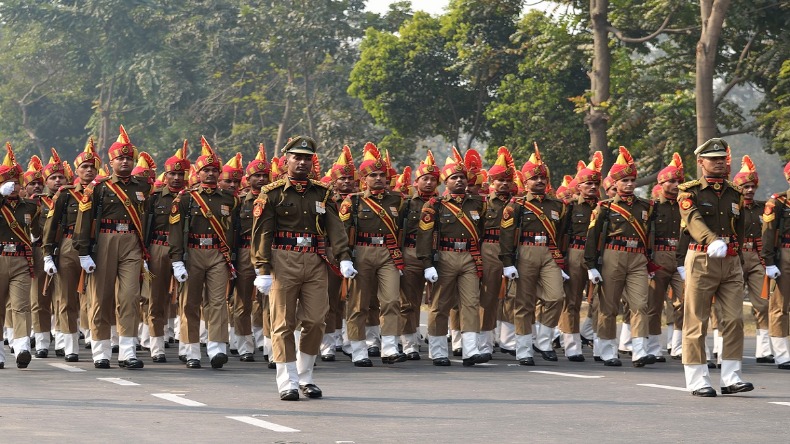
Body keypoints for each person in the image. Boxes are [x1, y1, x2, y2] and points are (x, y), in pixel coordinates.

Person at [251, 136, 355, 401]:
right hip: (282, 259)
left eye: (307, 158)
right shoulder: (272, 193)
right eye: (297, 157)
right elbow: (262, 233)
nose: (302, 162)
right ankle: (287, 381)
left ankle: (306, 377)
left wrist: (344, 257)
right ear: (286, 160)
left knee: (316, 320)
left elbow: (335, 226)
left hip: (315, 260)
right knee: (283, 322)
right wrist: (262, 268)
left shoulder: (322, 192)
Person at [679, 137, 753, 396]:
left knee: (734, 319)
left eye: (722, 158)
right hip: (702, 258)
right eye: (713, 159)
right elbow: (693, 219)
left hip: (731, 261)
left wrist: (739, 257)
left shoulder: (735, 192)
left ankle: (731, 376)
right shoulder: (690, 192)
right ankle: (698, 378)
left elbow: (740, 228)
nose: (719, 163)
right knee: (696, 320)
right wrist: (711, 240)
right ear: (701, 162)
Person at [74, 126, 151, 370]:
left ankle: (127, 352)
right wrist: (83, 251)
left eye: (129, 158)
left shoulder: (143, 187)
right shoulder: (99, 187)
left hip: (131, 242)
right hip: (105, 241)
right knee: (101, 298)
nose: (126, 162)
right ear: (111, 161)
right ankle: (101, 350)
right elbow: (83, 220)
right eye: (121, 158)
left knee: (129, 297)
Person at [168, 137, 239, 369]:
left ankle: (217, 347)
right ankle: (192, 350)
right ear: (197, 173)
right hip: (193, 252)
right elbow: (176, 232)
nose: (210, 174)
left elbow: (233, 230)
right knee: (190, 302)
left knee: (218, 302)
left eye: (214, 170)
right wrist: (177, 260)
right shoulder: (186, 199)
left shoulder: (229, 199)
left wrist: (233, 258)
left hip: (218, 254)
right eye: (205, 170)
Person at [584, 146, 656, 367]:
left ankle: (639, 351)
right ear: (614, 183)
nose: (630, 184)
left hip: (637, 258)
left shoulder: (646, 206)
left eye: (633, 180)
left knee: (640, 304)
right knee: (609, 305)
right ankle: (607, 351)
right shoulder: (605, 208)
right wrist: (591, 265)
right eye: (625, 180)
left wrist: (650, 261)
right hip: (613, 255)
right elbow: (592, 236)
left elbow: (651, 234)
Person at [416, 150, 488, 367]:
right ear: (445, 182)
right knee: (440, 304)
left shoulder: (477, 204)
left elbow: (482, 232)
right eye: (453, 178)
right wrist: (427, 264)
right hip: (445, 256)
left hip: (469, 256)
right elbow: (425, 236)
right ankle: (438, 351)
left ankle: (470, 350)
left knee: (471, 303)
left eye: (462, 177)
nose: (459, 180)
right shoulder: (434, 205)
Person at [339, 142, 407, 366]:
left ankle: (389, 348)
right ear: (364, 179)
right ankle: (359, 350)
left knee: (391, 301)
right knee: (358, 305)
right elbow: (341, 232)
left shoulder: (397, 200)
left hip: (389, 253)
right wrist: (345, 258)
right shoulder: (353, 201)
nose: (378, 178)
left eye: (382, 175)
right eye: (373, 175)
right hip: (362, 253)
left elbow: (404, 230)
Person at [500, 146, 568, 365]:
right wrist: (508, 263)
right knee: (524, 303)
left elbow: (563, 234)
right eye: (534, 178)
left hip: (549, 253)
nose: (539, 181)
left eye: (542, 177)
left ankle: (544, 342)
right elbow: (507, 235)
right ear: (525, 182)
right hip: (525, 252)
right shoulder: (516, 205)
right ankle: (523, 349)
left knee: (556, 297)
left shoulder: (558, 205)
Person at [141, 141, 189, 364]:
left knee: (188, 299)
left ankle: (187, 347)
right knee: (156, 298)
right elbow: (145, 226)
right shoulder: (154, 198)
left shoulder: (192, 197)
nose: (177, 178)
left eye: (181, 174)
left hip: (187, 251)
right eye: (172, 174)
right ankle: (157, 345)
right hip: (158, 250)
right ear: (165, 175)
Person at [559, 152, 602, 362]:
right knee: (573, 300)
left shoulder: (605, 206)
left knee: (601, 300)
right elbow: (561, 234)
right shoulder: (570, 207)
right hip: (576, 253)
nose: (592, 187)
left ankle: (601, 344)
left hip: (600, 255)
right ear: (579, 186)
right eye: (587, 184)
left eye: (595, 183)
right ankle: (572, 345)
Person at [0, 143, 38, 369]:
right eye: (7, 181)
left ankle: (23, 346)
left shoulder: (30, 207)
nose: (13, 186)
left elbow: (40, 228)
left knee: (22, 305)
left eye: (16, 182)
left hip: (22, 261)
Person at [732, 156, 774, 363]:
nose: (749, 190)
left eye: (752, 186)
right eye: (745, 186)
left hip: (757, 258)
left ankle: (764, 350)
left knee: (763, 304)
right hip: (736, 258)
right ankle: (727, 347)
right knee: (731, 304)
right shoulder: (732, 207)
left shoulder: (763, 207)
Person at [398, 151, 439, 360]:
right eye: (425, 179)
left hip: (438, 256)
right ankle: (410, 343)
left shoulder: (442, 203)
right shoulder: (406, 204)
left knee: (438, 302)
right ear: (417, 182)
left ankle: (437, 342)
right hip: (411, 254)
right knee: (409, 302)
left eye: (433, 179)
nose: (430, 182)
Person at [647, 153, 687, 362]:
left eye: (679, 181)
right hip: (658, 257)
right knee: (654, 305)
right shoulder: (652, 207)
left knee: (685, 302)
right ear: (661, 183)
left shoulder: (686, 205)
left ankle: (678, 346)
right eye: (671, 181)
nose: (676, 185)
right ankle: (653, 347)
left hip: (681, 258)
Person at [321, 146, 356, 362]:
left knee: (354, 300)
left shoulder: (359, 200)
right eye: (342, 179)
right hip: (331, 253)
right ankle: (328, 343)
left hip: (358, 253)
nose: (346, 182)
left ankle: (351, 340)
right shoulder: (326, 201)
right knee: (330, 299)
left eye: (350, 178)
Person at [761, 159, 790, 370]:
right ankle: (782, 354)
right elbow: (768, 233)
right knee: (780, 305)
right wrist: (769, 262)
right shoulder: (779, 202)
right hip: (786, 254)